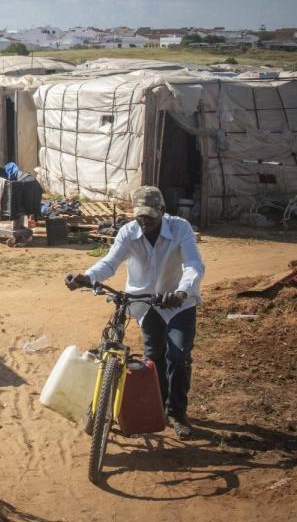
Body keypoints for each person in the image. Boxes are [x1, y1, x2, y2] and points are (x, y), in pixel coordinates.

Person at [65, 186, 205, 439]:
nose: (145, 222)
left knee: (178, 355)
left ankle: (177, 413)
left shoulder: (180, 228)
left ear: (162, 211)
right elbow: (110, 262)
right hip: (144, 302)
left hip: (177, 303)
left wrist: (182, 292)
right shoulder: (128, 232)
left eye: (150, 216)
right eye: (140, 216)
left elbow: (193, 265)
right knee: (154, 357)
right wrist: (87, 277)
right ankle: (158, 408)